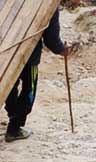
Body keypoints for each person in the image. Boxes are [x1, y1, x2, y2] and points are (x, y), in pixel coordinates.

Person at [4, 10, 69, 142]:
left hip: (6, 52)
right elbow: (51, 38)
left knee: (9, 86)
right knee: (29, 90)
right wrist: (61, 49)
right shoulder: (49, 2)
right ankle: (14, 128)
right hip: (30, 56)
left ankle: (12, 118)